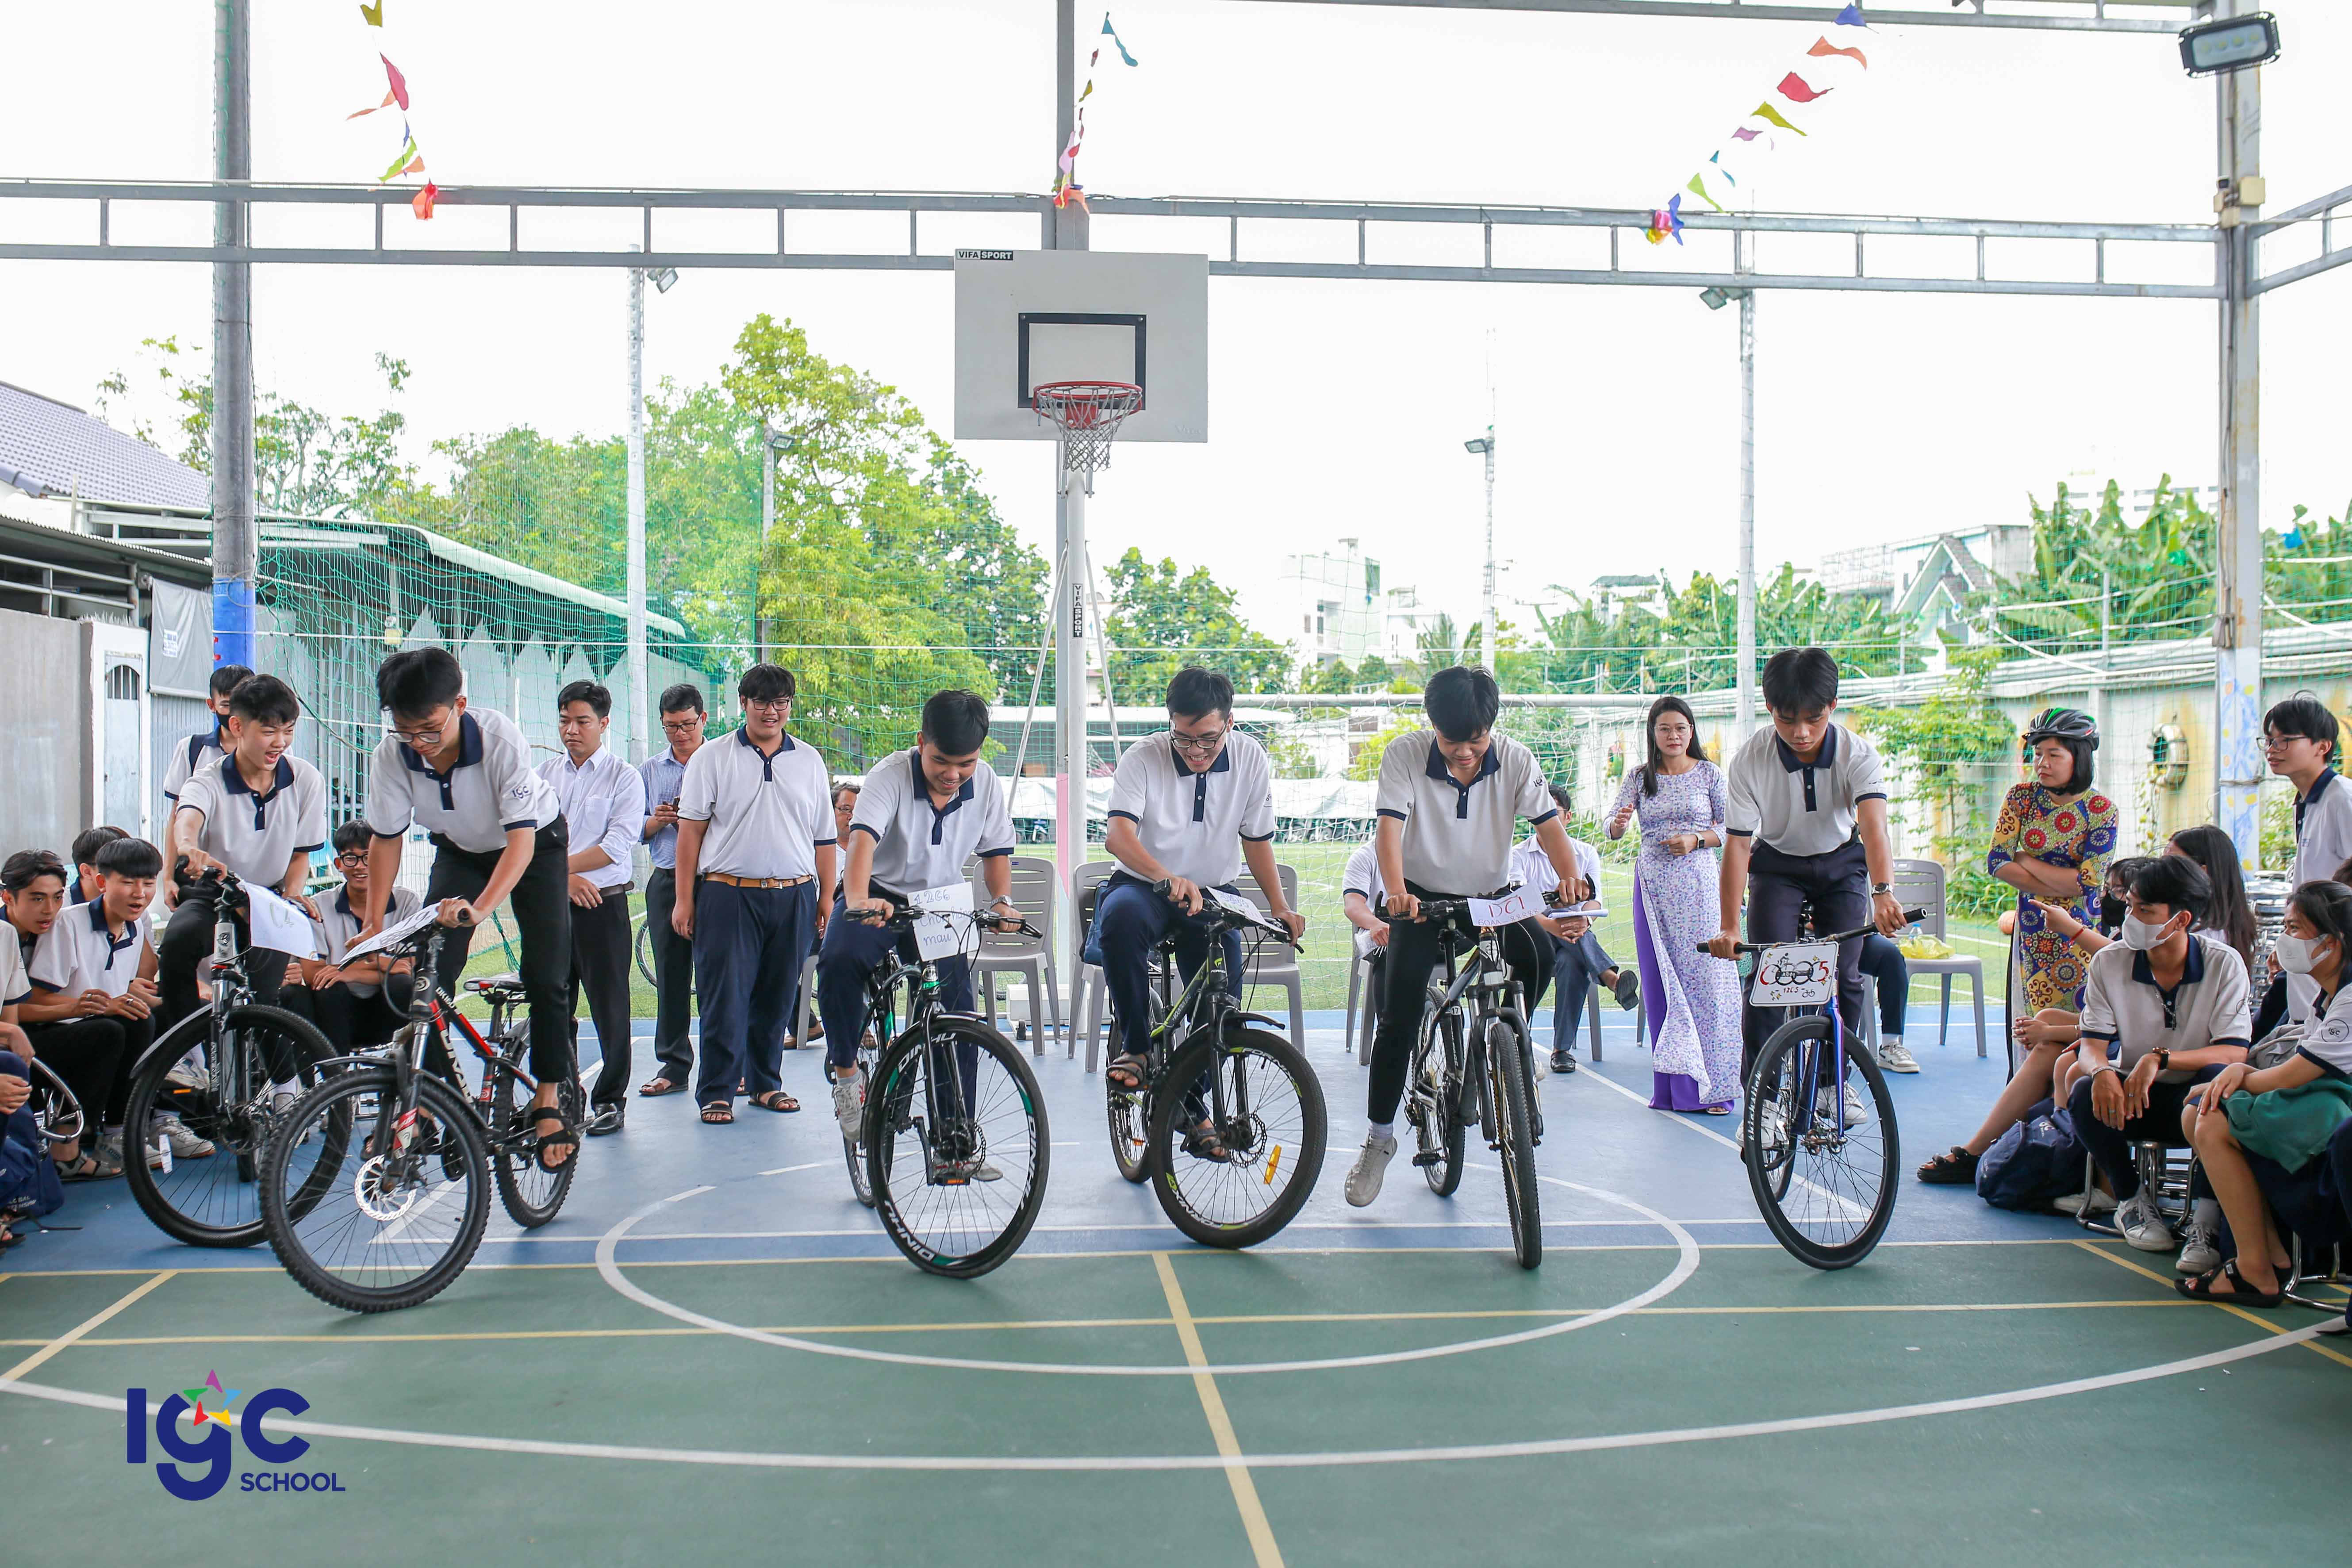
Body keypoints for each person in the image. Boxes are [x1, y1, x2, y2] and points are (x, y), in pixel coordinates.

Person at [1349, 665, 1583, 1207]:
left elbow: (1549, 827)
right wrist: (1396, 891)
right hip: (1419, 898)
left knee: (1538, 953)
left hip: (1489, 897)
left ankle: (1509, 1043)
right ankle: (1379, 1139)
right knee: (1397, 1016)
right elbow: (1389, 828)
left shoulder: (1516, 759)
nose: (1463, 752)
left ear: (1490, 728)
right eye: (1451, 740)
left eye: (1475, 740)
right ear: (1433, 725)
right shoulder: (1404, 754)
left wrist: (1570, 876)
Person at [361, 647, 576, 1171]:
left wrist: (481, 910)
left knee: (546, 972)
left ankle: (548, 1095)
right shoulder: (391, 754)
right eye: (406, 731)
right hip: (459, 850)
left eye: (430, 729)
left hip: (534, 844)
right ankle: (431, 1101)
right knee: (426, 977)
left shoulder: (499, 738)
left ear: (460, 704)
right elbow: (385, 839)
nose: (420, 743)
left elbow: (520, 842)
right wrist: (371, 924)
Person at [1708, 648, 1907, 1123]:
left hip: (1842, 866)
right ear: (1769, 708)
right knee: (1767, 976)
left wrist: (1883, 891)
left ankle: (1829, 1084)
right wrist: (1729, 925)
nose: (1800, 732)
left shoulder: (1858, 754)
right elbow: (1738, 845)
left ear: (1832, 706)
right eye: (1787, 719)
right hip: (1777, 866)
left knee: (1847, 973)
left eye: (1814, 719)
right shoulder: (1750, 759)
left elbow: (1874, 827)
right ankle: (1762, 1101)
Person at [816, 690, 1020, 1151]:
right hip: (879, 893)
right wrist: (859, 899)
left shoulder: (986, 782)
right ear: (921, 742)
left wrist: (1003, 902)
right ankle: (847, 1076)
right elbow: (862, 841)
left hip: (940, 900)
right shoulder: (888, 775)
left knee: (957, 1011)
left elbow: (995, 852)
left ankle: (955, 1134)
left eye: (966, 764)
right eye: (941, 761)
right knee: (839, 959)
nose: (953, 774)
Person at [1918, 856, 2154, 1186]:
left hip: (2135, 1047)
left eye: (2120, 894)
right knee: (2047, 1019)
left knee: (2058, 1057)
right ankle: (2019, 1142)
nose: (2110, 900)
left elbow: (2125, 1025)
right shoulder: (2127, 944)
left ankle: (2055, 1158)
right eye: (2118, 896)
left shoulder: (2158, 953)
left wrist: (2052, 1032)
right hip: (2118, 1035)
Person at [671, 663, 835, 1124]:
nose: (771, 711)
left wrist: (825, 896)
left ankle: (765, 1084)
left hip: (795, 895)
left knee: (778, 996)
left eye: (781, 702)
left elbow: (824, 838)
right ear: (743, 703)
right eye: (761, 701)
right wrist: (684, 899)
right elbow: (690, 834)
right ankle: (717, 1091)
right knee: (724, 996)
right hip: (727, 894)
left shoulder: (809, 760)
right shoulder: (712, 757)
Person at [2175, 878, 2352, 1305]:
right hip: (2317, 1103)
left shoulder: (2348, 999)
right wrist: (2233, 1078)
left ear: (2332, 941)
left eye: (2294, 928)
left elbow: (2295, 1074)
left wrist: (2236, 1075)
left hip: (2335, 1114)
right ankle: (2266, 1255)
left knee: (2208, 1115)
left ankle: (2255, 1267)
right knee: (2198, 1110)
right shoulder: (2328, 994)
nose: (2284, 938)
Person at [2067, 854, 2251, 1253]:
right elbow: (2091, 1048)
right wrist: (2101, 1072)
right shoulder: (2109, 961)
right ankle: (2131, 1200)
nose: (2130, 918)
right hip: (2133, 1100)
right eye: (2129, 906)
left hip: (2195, 1100)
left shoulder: (2223, 964)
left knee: (2217, 1082)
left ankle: (2207, 1219)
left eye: (2144, 910)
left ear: (2181, 920)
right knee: (2083, 1090)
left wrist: (2159, 1059)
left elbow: (2234, 1053)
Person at [154, 675, 329, 1067]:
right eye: (268, 731)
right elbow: (187, 817)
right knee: (178, 944)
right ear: (237, 726)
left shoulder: (306, 779)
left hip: (269, 897)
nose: (280, 742)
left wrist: (292, 894)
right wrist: (188, 848)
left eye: (288, 731)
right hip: (215, 893)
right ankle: (189, 1058)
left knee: (264, 1002)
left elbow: (300, 855)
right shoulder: (208, 779)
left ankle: (286, 1087)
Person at [1608, 694, 1745, 1107]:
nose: (1673, 736)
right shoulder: (1638, 777)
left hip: (1700, 888)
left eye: (1680, 728)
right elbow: (1612, 824)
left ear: (1691, 732)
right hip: (1652, 890)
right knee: (1661, 983)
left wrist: (1697, 839)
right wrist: (1617, 824)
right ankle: (1672, 1089)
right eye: (1664, 728)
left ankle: (1714, 1087)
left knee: (1707, 983)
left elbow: (1734, 829)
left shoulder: (1709, 774)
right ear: (1653, 733)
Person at [24, 837, 178, 1172]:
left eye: (148, 883)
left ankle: (118, 1133)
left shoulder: (134, 928)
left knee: (150, 1017)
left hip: (97, 1028)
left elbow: (125, 988)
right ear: (101, 882)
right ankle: (67, 1147)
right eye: (128, 882)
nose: (140, 893)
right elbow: (34, 998)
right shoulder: (68, 923)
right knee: (109, 1030)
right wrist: (98, 1006)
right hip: (46, 1036)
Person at [540, 679, 647, 1137]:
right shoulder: (543, 775)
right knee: (552, 1004)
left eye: (582, 721)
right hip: (551, 906)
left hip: (603, 906)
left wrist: (556, 869)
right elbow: (527, 841)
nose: (571, 730)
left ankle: (609, 1100)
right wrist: (562, 880)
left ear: (604, 723)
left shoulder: (624, 777)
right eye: (565, 720)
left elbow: (616, 845)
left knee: (610, 1007)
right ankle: (563, 1094)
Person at [1987, 707, 2116, 1029]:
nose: (2041, 763)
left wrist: (2026, 860)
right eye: (2037, 754)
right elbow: (1997, 862)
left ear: (2079, 758)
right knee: (2028, 1022)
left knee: (2080, 1023)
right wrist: (2065, 883)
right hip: (2031, 929)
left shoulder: (2102, 810)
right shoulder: (2021, 798)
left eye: (2053, 755)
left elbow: (2088, 882)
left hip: (2081, 931)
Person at [2, 850, 119, 1179]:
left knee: (115, 1028)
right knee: (103, 1032)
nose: (49, 910)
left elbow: (14, 1012)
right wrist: (72, 1007)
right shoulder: (4, 935)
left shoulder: (56, 927)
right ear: (8, 897)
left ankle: (78, 1144)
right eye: (37, 899)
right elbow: (12, 1018)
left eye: (56, 898)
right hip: (13, 1039)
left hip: (27, 1033)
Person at [1513, 785, 1634, 1078]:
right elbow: (1520, 906)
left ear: (1567, 817)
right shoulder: (1518, 855)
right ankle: (1611, 978)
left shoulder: (1585, 852)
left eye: (1554, 812)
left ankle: (1561, 1050)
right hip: (1535, 935)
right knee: (1569, 937)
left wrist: (1585, 921)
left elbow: (1594, 900)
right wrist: (1552, 925)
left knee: (1573, 962)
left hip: (1575, 932)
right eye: (1541, 812)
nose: (1547, 818)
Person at [277, 821, 420, 1051]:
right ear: (339, 865)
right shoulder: (318, 906)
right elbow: (314, 974)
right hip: (336, 1011)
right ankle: (336, 1069)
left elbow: (407, 968)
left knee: (402, 984)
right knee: (328, 987)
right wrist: (385, 965)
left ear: (382, 861)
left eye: (368, 857)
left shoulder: (406, 902)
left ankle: (406, 1063)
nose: (360, 867)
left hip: (385, 1009)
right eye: (351, 858)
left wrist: (347, 972)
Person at [2257, 694, 2352, 1038]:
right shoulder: (2308, 800)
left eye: (2285, 739)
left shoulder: (2342, 799)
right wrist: (2289, 940)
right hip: (2313, 949)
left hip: (2333, 953)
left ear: (2322, 746)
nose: (2272, 749)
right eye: (2269, 740)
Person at [638, 683, 707, 1097]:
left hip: (713, 881)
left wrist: (693, 823)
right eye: (670, 727)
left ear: (703, 719)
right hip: (665, 878)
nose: (679, 734)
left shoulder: (721, 760)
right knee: (671, 975)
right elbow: (636, 827)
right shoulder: (651, 769)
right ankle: (674, 1064)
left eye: (686, 725)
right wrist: (660, 820)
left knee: (719, 976)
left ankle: (726, 1064)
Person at [158, 663, 253, 812]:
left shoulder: (274, 749)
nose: (235, 713)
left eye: (244, 704)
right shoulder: (190, 748)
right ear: (212, 705)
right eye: (226, 705)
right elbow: (178, 808)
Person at [1857, 932, 1914, 1072]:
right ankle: (1808, 1042)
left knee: (1890, 956)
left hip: (1852, 936)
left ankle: (1890, 1045)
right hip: (1811, 937)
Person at [67, 824, 125, 906]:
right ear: (87, 872)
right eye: (117, 866)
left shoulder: (134, 903)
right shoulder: (58, 908)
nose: (128, 875)